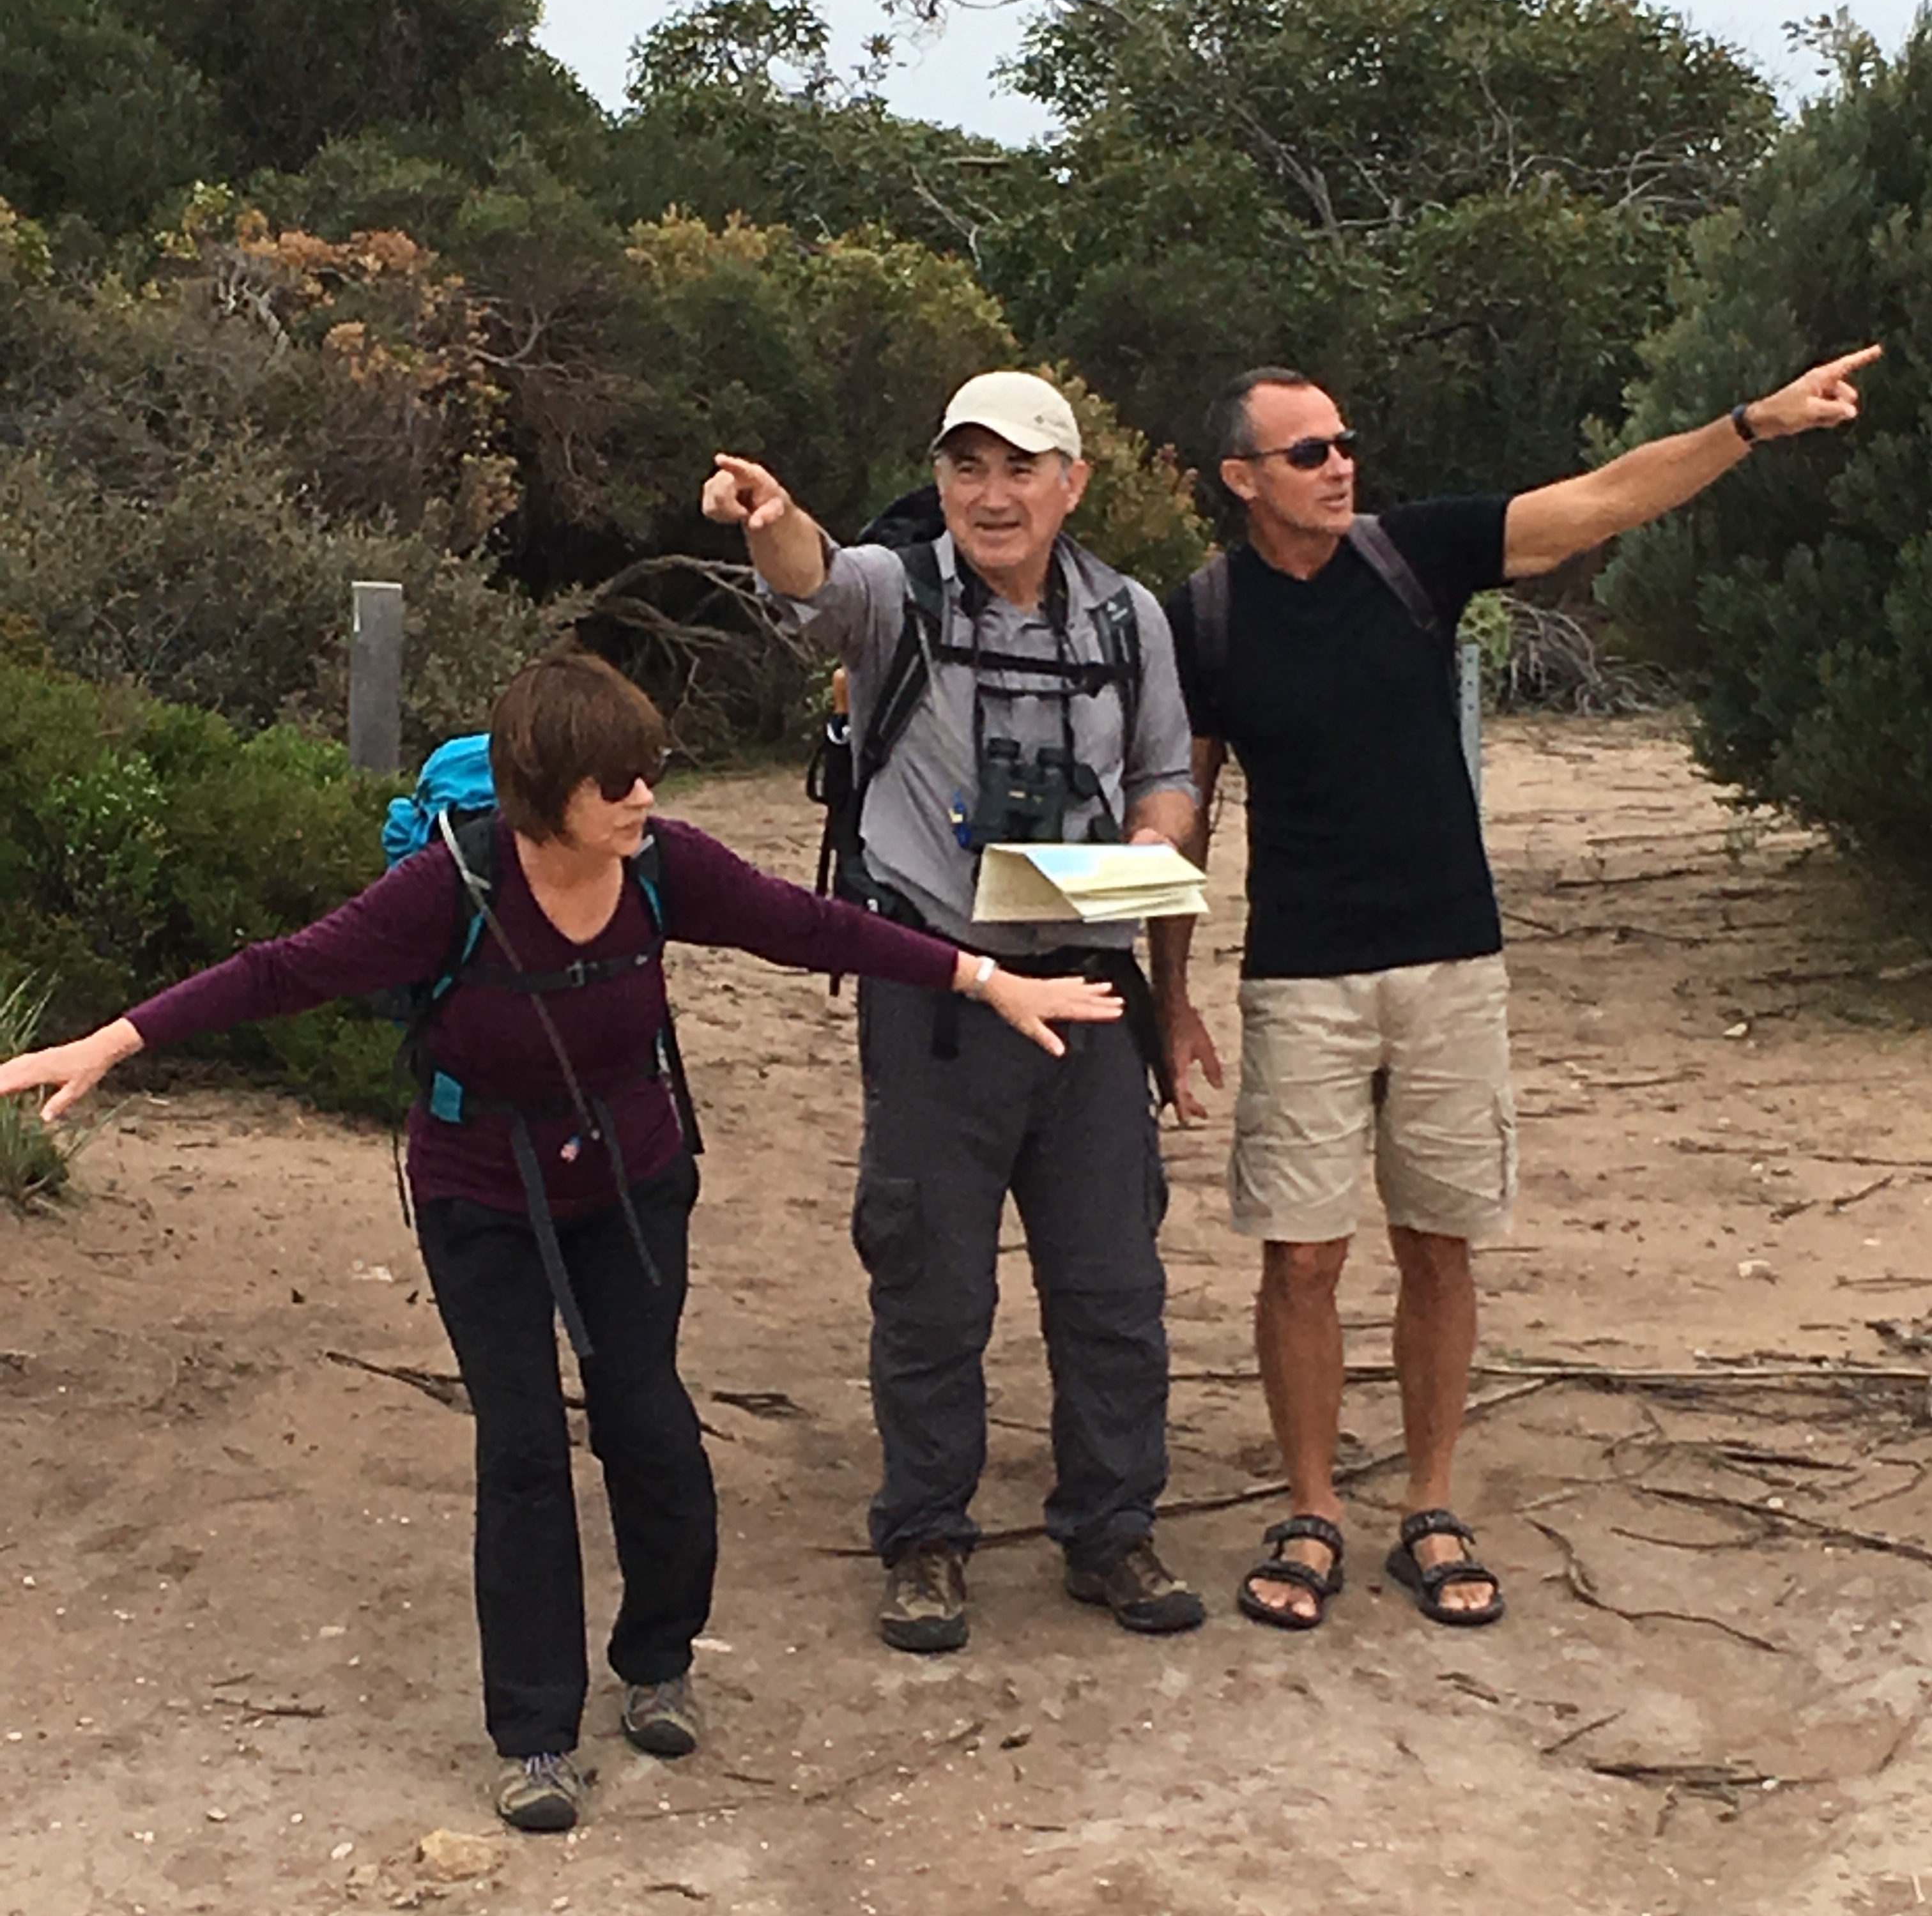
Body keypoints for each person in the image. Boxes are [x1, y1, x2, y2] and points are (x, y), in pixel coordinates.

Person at [0, 650, 1121, 1828]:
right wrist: (112, 1042)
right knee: (525, 1449)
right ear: (547, 792)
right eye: (616, 781)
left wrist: (982, 979)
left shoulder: (665, 868)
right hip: (478, 1192)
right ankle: (534, 1736)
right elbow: (283, 972)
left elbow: (810, 926)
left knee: (651, 1424)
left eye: (650, 771)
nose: (645, 797)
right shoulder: (448, 889)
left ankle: (659, 1664)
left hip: (634, 1181)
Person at [1153, 348, 1880, 1632]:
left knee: (1439, 1242)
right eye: (1309, 453)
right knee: (1302, 1257)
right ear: (1241, 478)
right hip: (1301, 979)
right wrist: (1171, 993)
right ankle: (1311, 1510)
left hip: (1452, 964)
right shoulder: (1203, 616)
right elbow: (1186, 809)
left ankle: (1429, 1504)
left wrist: (1751, 424)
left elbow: (1601, 501)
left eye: (1345, 443)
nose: (1340, 468)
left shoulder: (1414, 555)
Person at [701, 371, 1205, 1653]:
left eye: (1021, 468)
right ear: (940, 479)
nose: (992, 495)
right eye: (967, 467)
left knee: (1112, 1279)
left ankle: (1113, 1528)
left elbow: (1168, 774)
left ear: (1072, 483)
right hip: (936, 987)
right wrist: (770, 520)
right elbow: (815, 583)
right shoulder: (899, 593)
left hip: (1091, 989)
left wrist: (1152, 848)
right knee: (931, 1284)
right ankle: (926, 1535)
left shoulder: (1130, 619)